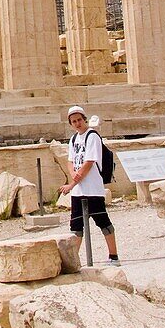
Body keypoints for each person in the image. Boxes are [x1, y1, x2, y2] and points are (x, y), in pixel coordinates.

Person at [58, 105, 119, 266]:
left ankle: (114, 256)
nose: (77, 123)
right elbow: (71, 161)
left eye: (79, 120)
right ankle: (74, 261)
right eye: (74, 121)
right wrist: (73, 175)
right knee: (76, 225)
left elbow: (89, 162)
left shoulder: (92, 136)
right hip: (79, 190)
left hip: (92, 188)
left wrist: (71, 184)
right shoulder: (73, 139)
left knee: (102, 222)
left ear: (84, 119)